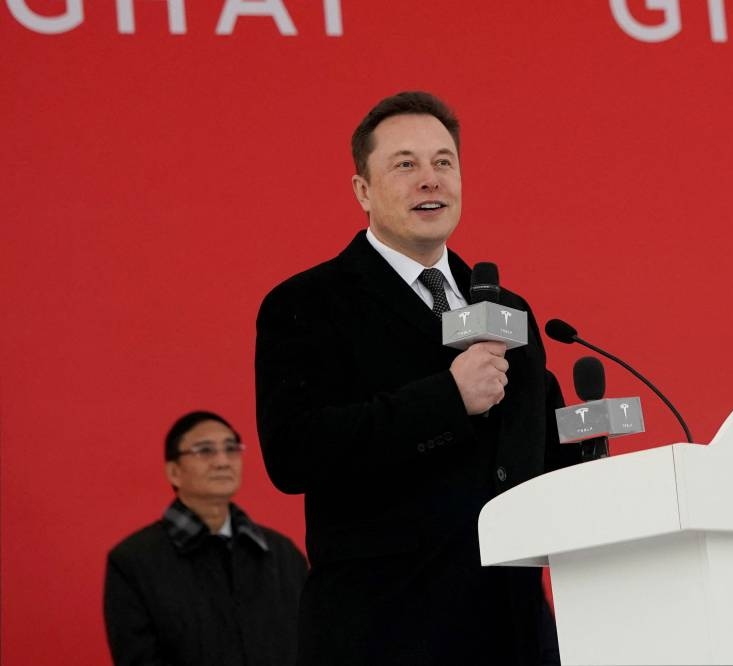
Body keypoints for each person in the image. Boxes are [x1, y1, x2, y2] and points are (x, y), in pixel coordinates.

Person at [254, 91, 580, 666]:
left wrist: (591, 462)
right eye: (405, 164)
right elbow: (294, 453)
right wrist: (447, 400)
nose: (430, 180)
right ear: (362, 190)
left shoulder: (512, 309)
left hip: (514, 630)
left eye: (443, 162)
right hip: (385, 630)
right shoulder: (308, 303)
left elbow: (537, 455)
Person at [103, 411, 308, 666]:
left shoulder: (282, 553)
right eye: (205, 450)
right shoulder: (134, 561)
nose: (223, 461)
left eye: (231, 449)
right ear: (174, 471)